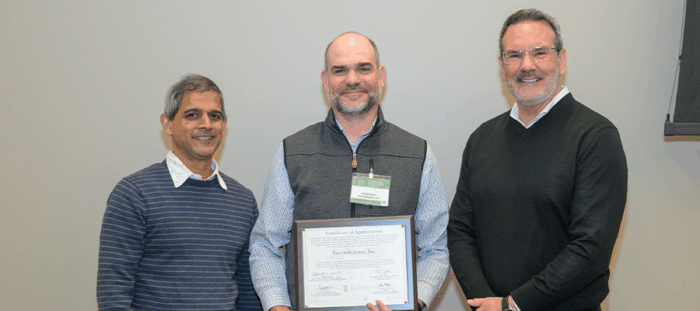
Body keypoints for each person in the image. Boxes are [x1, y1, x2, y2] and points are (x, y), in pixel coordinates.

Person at [249, 32, 450, 311]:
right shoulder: (292, 152)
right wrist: (278, 306)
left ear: (381, 76)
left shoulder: (418, 154)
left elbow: (436, 249)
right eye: (339, 70)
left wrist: (414, 304)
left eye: (363, 68)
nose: (352, 79)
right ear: (325, 80)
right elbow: (265, 246)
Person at [448, 9, 628, 311]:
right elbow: (460, 230)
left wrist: (513, 305)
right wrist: (486, 303)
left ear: (562, 59)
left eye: (540, 53)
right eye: (514, 55)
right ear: (502, 65)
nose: (526, 65)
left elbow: (590, 248)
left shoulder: (596, 137)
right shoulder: (482, 138)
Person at [97, 74, 262, 311]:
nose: (206, 124)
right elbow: (113, 295)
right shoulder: (133, 194)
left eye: (214, 116)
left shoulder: (242, 201)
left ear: (224, 125)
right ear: (167, 124)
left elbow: (248, 292)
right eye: (192, 115)